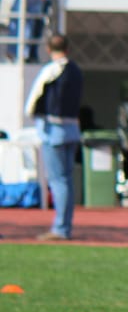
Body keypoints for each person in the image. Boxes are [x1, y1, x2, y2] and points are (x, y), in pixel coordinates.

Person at [24, 34, 84, 241]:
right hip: (72, 129)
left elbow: (33, 99)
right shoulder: (76, 71)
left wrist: (32, 115)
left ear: (48, 49)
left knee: (58, 180)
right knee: (66, 180)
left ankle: (61, 228)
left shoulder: (51, 70)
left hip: (54, 129)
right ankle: (65, 225)